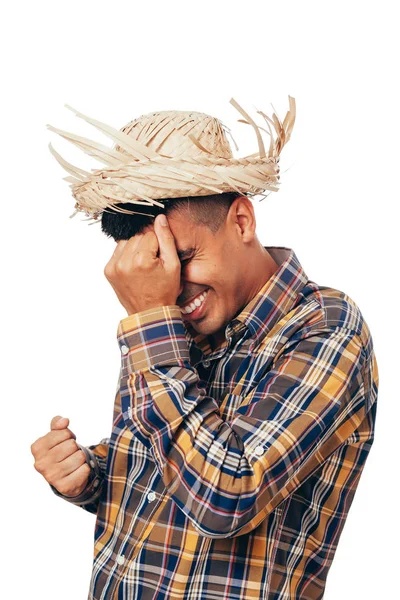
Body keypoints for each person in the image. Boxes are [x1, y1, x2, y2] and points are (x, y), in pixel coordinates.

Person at [31, 97, 379, 599]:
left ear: (241, 221)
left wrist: (151, 323)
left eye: (185, 257)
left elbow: (226, 497)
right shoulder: (170, 323)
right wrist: (91, 474)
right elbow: (165, 474)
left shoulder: (327, 328)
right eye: (156, 265)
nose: (169, 285)